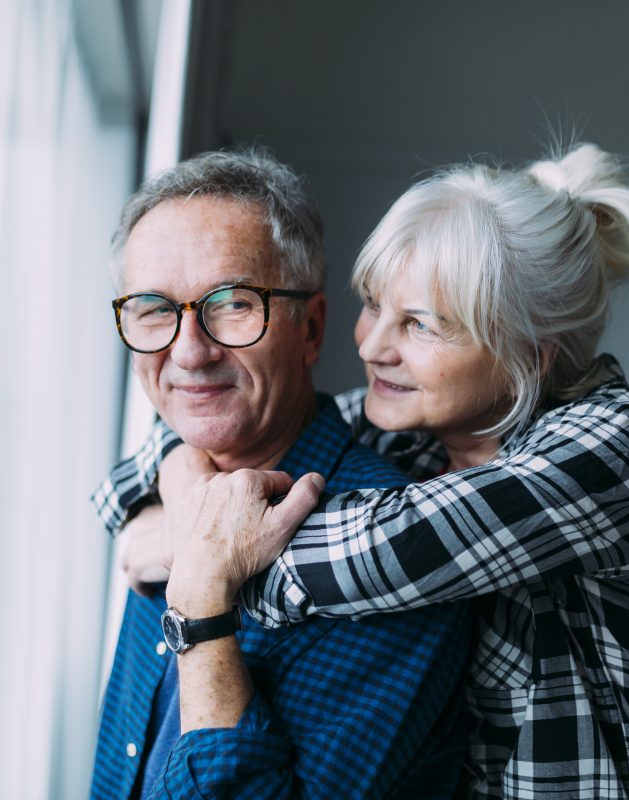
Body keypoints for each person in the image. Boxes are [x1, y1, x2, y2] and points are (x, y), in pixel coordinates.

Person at [96, 143, 629, 799]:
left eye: (420, 324)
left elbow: (396, 549)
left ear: (525, 355)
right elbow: (165, 452)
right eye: (373, 304)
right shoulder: (410, 437)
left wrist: (201, 558)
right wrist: (174, 496)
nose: (370, 344)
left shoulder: (627, 442)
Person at [91, 149, 471, 799]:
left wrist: (202, 601)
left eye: (233, 304)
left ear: (312, 328)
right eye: (154, 309)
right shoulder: (170, 489)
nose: (188, 352)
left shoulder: (397, 554)